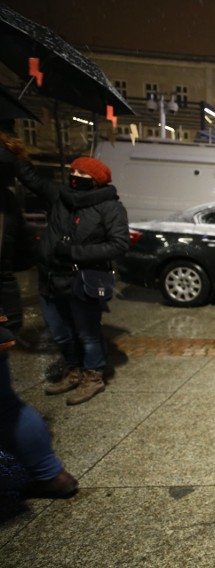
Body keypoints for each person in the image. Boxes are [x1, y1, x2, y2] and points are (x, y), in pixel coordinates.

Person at [7, 150, 128, 405]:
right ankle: (73, 369)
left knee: (88, 333)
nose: (75, 176)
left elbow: (118, 244)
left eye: (82, 173)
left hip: (83, 280)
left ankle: (92, 375)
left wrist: (74, 252)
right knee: (59, 332)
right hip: (51, 276)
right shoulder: (61, 198)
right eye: (73, 171)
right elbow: (33, 179)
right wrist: (12, 150)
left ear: (96, 179)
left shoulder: (110, 207)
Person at [0, 133, 78, 502]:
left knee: (3, 401)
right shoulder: (7, 194)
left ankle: (47, 472)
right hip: (6, 301)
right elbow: (20, 257)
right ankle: (46, 471)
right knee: (4, 399)